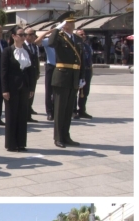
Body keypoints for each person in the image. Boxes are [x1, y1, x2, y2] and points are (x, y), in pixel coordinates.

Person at [44, 12, 84, 148]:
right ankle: (58, 138)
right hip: (61, 76)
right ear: (64, 25)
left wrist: (81, 77)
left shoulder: (77, 39)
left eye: (73, 22)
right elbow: (50, 42)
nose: (72, 24)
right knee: (60, 110)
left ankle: (66, 136)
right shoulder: (59, 37)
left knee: (68, 110)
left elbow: (80, 59)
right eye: (69, 22)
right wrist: (56, 28)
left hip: (73, 77)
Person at [1, 26, 38, 152]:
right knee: (11, 115)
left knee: (22, 115)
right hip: (12, 88)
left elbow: (31, 72)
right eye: (21, 35)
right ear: (14, 36)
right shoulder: (7, 51)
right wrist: (4, 89)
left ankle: (21, 143)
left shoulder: (28, 51)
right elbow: (4, 72)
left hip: (25, 87)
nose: (23, 37)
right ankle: (11, 144)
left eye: (24, 35)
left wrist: (32, 88)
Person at [73, 29, 93, 119]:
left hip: (87, 70)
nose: (83, 36)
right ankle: (73, 111)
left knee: (85, 92)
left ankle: (82, 110)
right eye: (81, 34)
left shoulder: (86, 45)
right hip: (78, 70)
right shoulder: (74, 45)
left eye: (84, 34)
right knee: (75, 91)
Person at [23, 28, 41, 119]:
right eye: (31, 34)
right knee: (26, 93)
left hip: (33, 73)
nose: (33, 36)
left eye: (33, 34)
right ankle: (25, 113)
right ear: (26, 36)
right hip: (26, 74)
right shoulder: (23, 46)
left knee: (32, 92)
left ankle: (29, 111)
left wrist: (38, 71)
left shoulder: (35, 46)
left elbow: (37, 59)